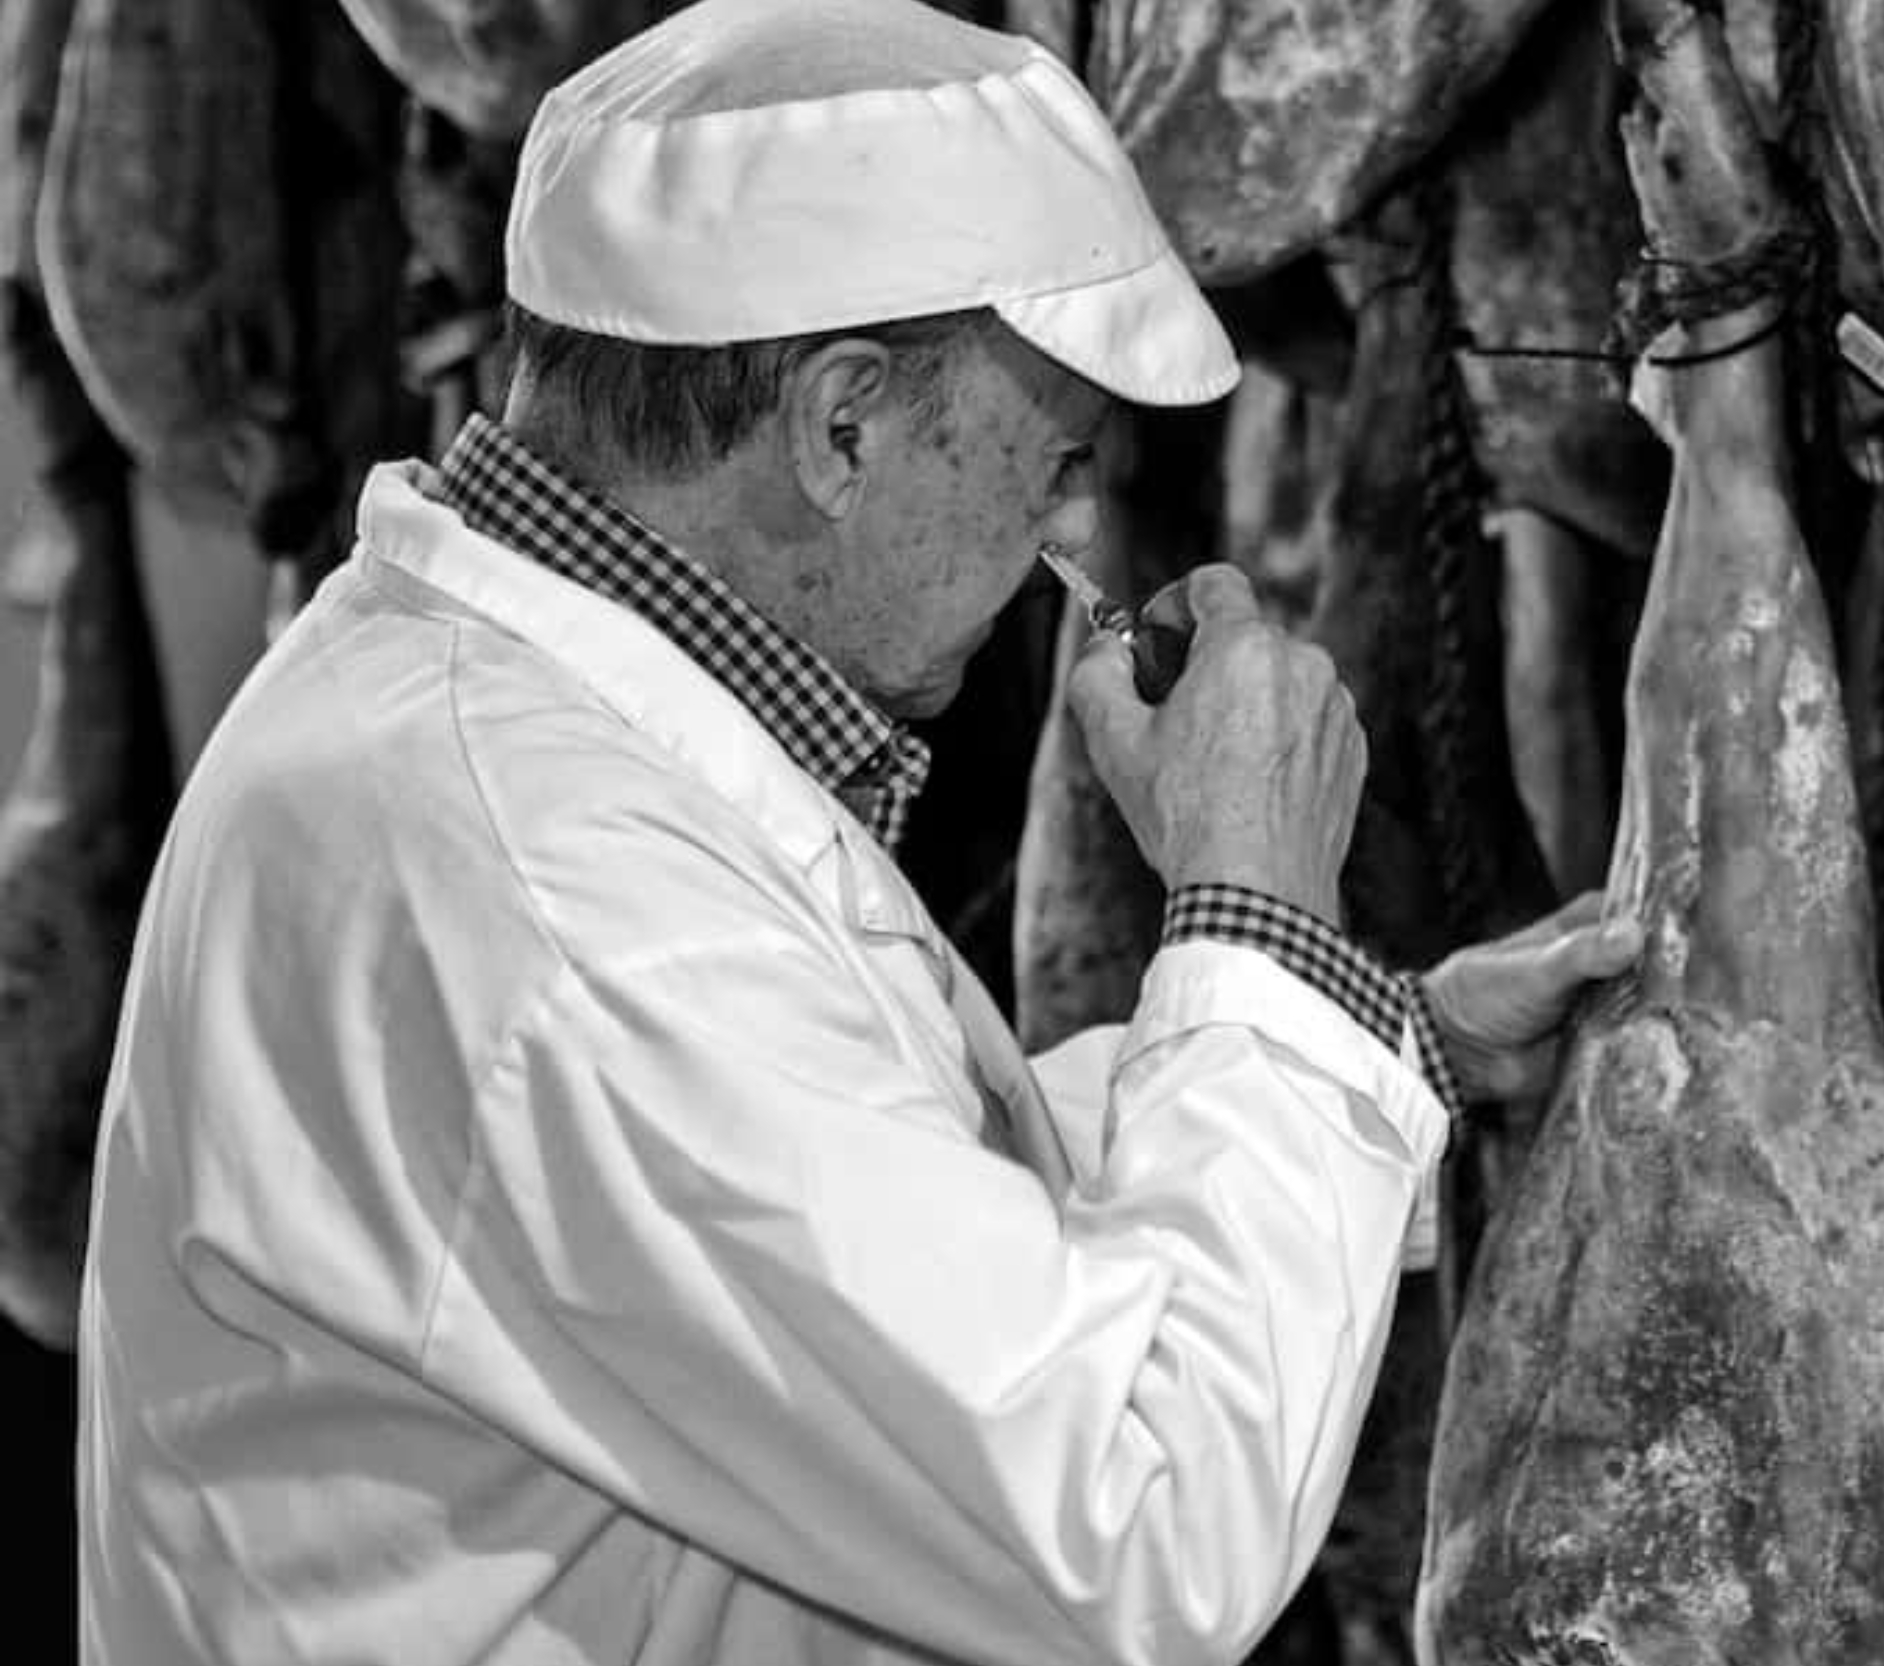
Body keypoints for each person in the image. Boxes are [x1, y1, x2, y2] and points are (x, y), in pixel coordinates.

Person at [76, 2, 1640, 1663]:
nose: (1079, 530)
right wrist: (1251, 898)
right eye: (1054, 463)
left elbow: (846, 1204)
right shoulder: (546, 887)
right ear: (841, 425)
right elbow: (1136, 1515)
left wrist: (1387, 1038)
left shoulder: (510, 747)